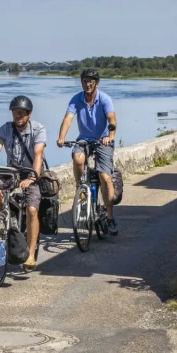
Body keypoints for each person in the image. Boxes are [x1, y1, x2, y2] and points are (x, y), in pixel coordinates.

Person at [0, 95, 46, 270]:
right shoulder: (6, 128)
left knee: (32, 210)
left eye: (21, 113)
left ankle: (31, 254)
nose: (18, 116)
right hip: (11, 173)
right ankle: (7, 219)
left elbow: (38, 154)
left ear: (29, 114)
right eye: (15, 113)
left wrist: (32, 177)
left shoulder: (38, 129)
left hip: (31, 173)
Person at [56, 69, 119, 235]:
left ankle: (110, 217)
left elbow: (112, 119)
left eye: (91, 81)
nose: (88, 84)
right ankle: (80, 188)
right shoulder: (76, 99)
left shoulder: (104, 99)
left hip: (103, 139)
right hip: (84, 139)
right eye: (85, 81)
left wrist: (110, 136)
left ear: (96, 83)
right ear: (81, 83)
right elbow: (68, 118)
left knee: (104, 176)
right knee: (78, 159)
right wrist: (61, 137)